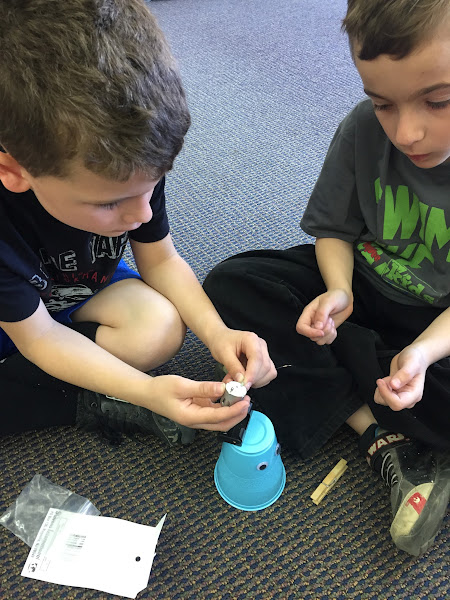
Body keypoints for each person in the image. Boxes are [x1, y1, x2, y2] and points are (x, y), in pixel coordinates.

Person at [203, 0, 450, 556]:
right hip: (362, 283)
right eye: (382, 103)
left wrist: (422, 354)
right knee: (230, 287)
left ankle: (353, 392)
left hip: (437, 326)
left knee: (291, 351)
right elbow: (334, 229)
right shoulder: (362, 130)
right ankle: (380, 429)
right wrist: (338, 288)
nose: (407, 132)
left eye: (439, 101)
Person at [0, 0, 276, 446]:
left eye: (151, 188)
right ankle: (71, 395)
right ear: (14, 172)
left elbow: (161, 260)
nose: (142, 215)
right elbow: (39, 338)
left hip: (65, 294)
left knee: (160, 329)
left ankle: (64, 380)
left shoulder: (130, 168)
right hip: (18, 321)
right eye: (110, 204)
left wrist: (217, 332)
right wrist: (144, 391)